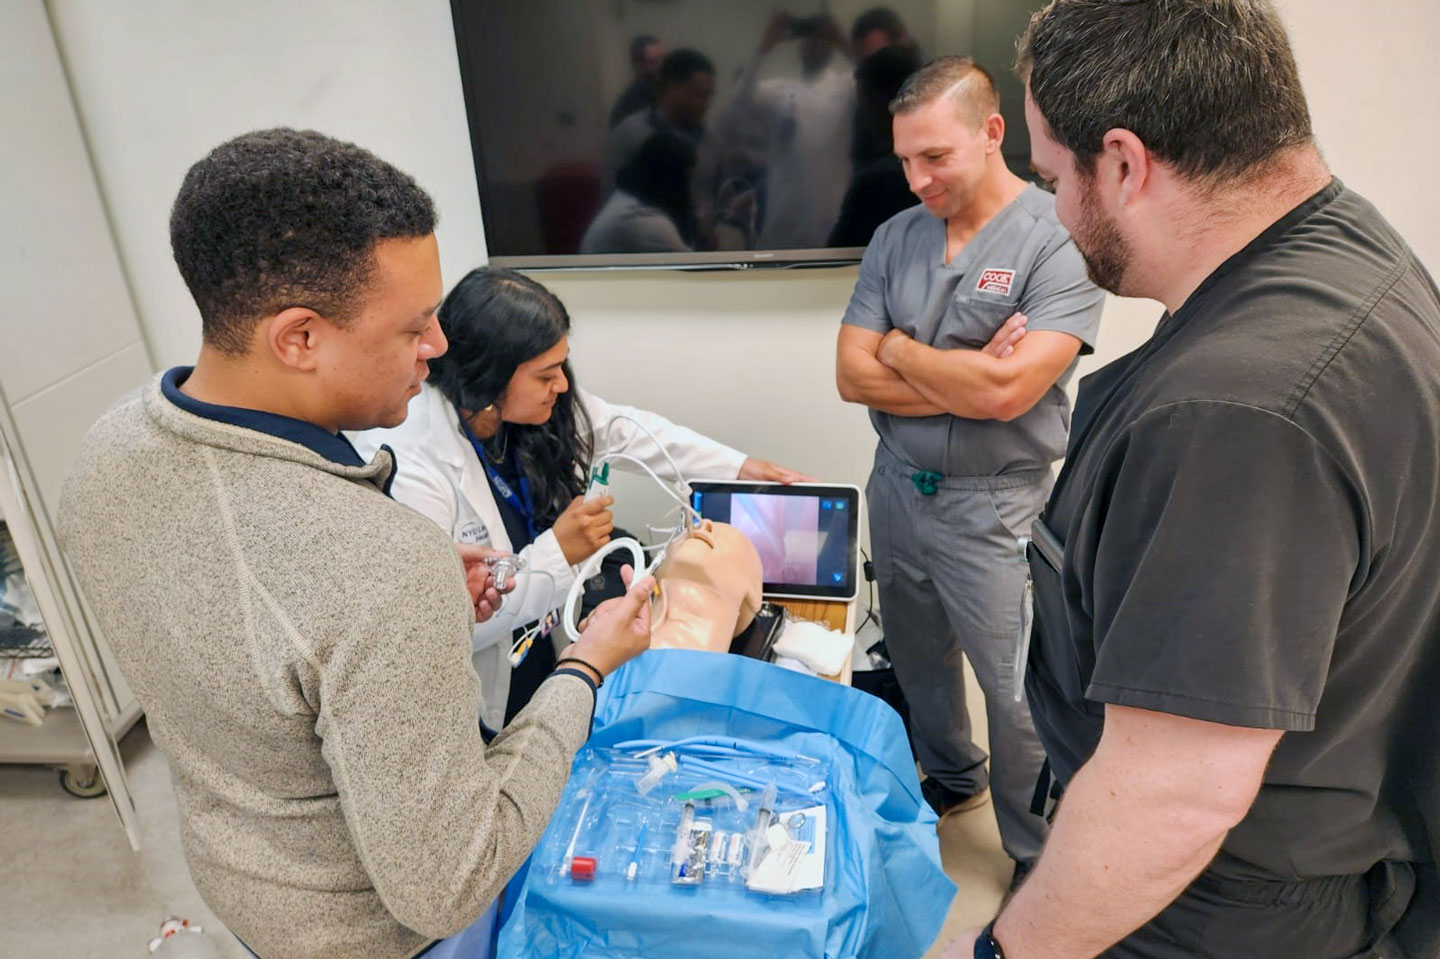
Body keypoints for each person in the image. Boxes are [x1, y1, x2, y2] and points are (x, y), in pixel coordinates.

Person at [57, 129, 654, 959]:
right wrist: (584, 667)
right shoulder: (375, 561)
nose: (438, 347)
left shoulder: (110, 447)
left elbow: (247, 626)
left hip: (244, 885)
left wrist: (404, 594)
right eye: (415, 327)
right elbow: (450, 880)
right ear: (299, 337)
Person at [948, 2, 1440, 958]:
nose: (1050, 209)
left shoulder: (1238, 414)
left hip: (1225, 908)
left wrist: (1002, 951)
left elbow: (1173, 798)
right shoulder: (1352, 256)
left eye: (1052, 176)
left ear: (1125, 163)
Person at [835, 57, 1105, 884]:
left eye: (935, 157)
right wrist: (964, 375)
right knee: (917, 662)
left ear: (993, 134)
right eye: (905, 159)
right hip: (897, 487)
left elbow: (1010, 390)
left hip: (996, 507)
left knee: (1018, 691)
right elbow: (851, 376)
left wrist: (903, 349)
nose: (917, 179)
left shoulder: (1058, 238)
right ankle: (954, 779)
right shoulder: (894, 237)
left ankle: (1036, 848)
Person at [351, 267, 810, 728]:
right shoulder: (417, 463)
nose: (564, 386)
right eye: (547, 375)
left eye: (562, 368)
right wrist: (560, 551)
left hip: (551, 642)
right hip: (485, 684)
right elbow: (447, 628)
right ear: (490, 379)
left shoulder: (534, 410)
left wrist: (742, 467)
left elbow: (629, 431)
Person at [605, 48, 715, 191]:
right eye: (699, 94)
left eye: (709, 96)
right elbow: (614, 198)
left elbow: (717, 196)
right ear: (671, 87)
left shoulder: (710, 140)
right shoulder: (630, 136)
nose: (706, 104)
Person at [581, 133, 698, 254]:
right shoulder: (642, 221)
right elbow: (695, 268)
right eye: (686, 181)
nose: (689, 191)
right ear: (670, 179)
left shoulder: (626, 199)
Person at [609, 33, 664, 129]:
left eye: (663, 58)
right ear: (638, 66)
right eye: (654, 61)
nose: (662, 65)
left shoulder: (669, 94)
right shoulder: (627, 105)